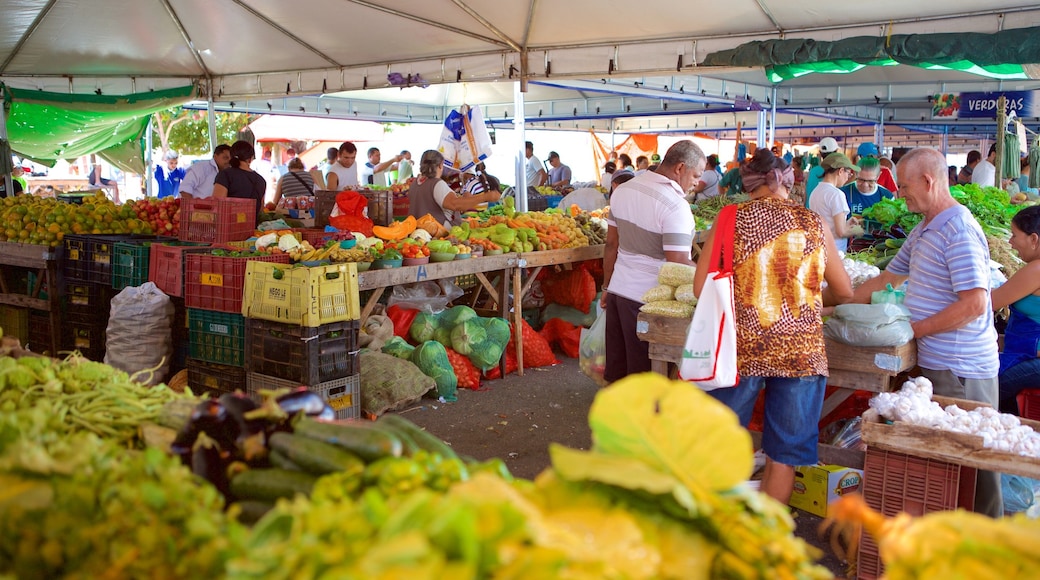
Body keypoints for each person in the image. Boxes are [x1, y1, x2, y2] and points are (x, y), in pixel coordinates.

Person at [694, 148, 853, 505]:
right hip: (801, 351)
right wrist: (806, 299)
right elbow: (844, 292)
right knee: (784, 453)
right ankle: (768, 541)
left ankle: (720, 533)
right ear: (786, 181)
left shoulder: (730, 218)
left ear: (748, 183)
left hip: (740, 349)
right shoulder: (814, 222)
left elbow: (700, 286)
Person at [852, 147, 1002, 518]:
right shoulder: (925, 230)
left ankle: (992, 557)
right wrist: (832, 304)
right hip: (939, 366)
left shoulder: (959, 229)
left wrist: (911, 329)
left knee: (974, 467)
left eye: (904, 186)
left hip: (961, 370)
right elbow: (887, 277)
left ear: (928, 181)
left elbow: (974, 304)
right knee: (946, 467)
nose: (899, 193)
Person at [601, 140, 705, 382]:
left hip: (618, 291)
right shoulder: (674, 205)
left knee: (619, 373)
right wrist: (708, 277)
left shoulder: (623, 190)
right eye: (696, 175)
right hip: (648, 302)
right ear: (680, 168)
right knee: (644, 377)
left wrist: (607, 286)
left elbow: (611, 245)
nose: (697, 182)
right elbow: (678, 263)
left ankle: (616, 417)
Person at [992, 205, 1040, 415]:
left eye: (1014, 235)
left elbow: (988, 302)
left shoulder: (1036, 270)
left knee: (989, 386)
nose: (1010, 242)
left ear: (1033, 239)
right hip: (1028, 351)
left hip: (1034, 357)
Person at [409, 150, 501, 229]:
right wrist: (485, 197)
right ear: (440, 165)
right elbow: (455, 204)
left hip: (419, 233)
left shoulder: (415, 184)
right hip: (437, 235)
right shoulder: (437, 184)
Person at [809, 152, 861, 253]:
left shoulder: (816, 191)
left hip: (819, 247)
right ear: (840, 171)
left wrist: (847, 223)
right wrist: (859, 231)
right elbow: (840, 232)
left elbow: (829, 223)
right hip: (836, 251)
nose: (848, 177)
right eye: (848, 173)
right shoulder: (837, 194)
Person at [212, 140, 267, 219]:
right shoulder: (261, 180)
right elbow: (260, 210)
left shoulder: (225, 175)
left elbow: (217, 203)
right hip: (253, 228)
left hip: (228, 227)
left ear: (231, 156)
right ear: (250, 158)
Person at [805, 137, 840, 206]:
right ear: (836, 152)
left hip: (809, 213)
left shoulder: (812, 171)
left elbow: (806, 195)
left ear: (820, 154)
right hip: (825, 214)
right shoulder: (836, 172)